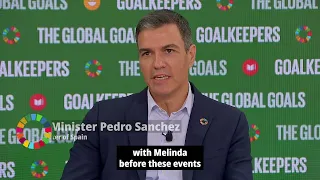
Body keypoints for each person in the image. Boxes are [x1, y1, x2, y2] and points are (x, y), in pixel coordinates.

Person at [61, 9, 253, 180]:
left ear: (191, 55)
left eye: (168, 51)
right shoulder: (103, 118)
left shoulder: (229, 123)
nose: (157, 63)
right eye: (147, 53)